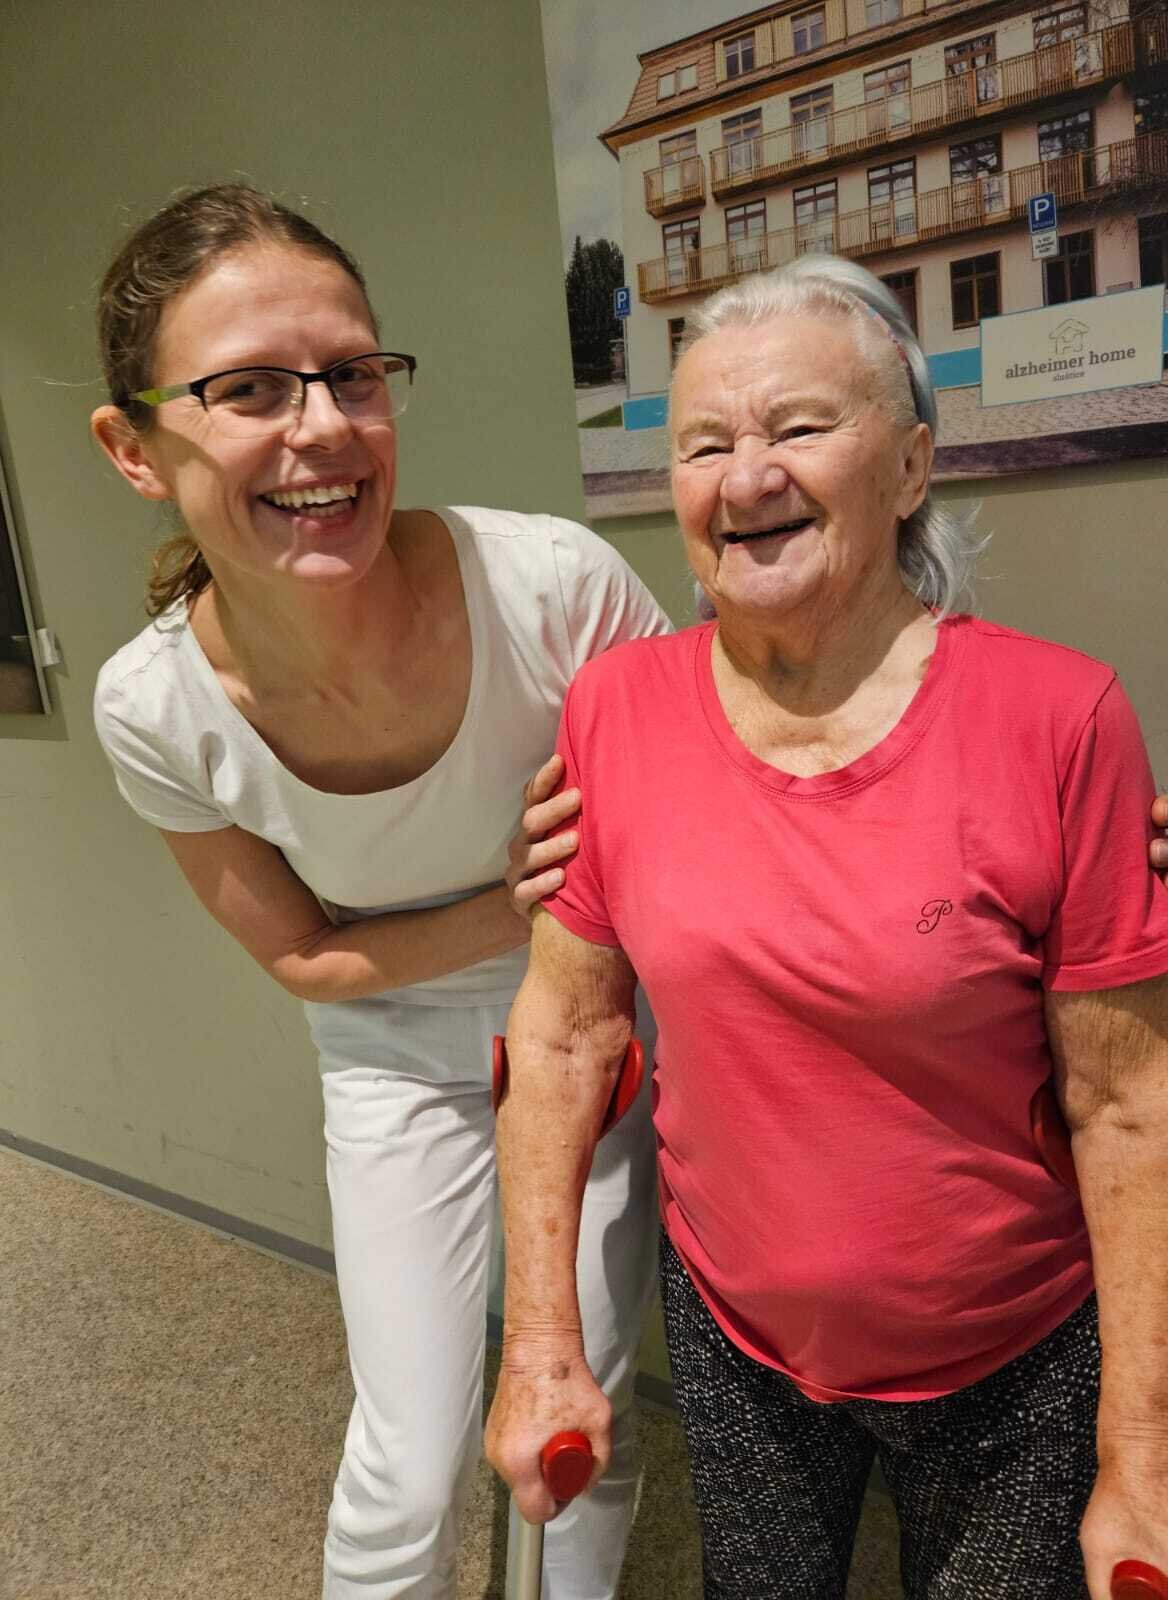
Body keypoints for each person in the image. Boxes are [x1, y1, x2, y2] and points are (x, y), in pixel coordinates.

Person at [485, 254, 1168, 1600]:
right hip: (734, 1330)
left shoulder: (1059, 719)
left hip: (1016, 1352)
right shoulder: (614, 710)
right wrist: (539, 1344)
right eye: (705, 443)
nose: (746, 475)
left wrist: (1152, 1451)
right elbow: (566, 1036)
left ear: (912, 465)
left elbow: (1133, 1104)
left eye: (800, 426)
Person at [88, 184, 673, 1600]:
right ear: (135, 448)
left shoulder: (554, 587)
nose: (324, 428)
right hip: (392, 1050)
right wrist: (516, 898)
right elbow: (305, 958)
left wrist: (1025, 834)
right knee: (409, 1463)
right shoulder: (154, 708)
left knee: (577, 1408)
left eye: (352, 374)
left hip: (594, 1021)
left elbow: (735, 784)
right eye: (248, 389)